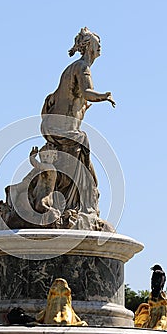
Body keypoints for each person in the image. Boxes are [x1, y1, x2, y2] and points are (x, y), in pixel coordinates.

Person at [41, 27, 116, 214]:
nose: (100, 47)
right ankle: (77, 207)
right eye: (98, 44)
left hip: (56, 126)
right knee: (86, 175)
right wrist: (104, 96)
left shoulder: (73, 67)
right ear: (89, 46)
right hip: (65, 130)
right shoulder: (82, 67)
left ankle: (72, 204)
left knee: (84, 173)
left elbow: (63, 98)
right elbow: (86, 93)